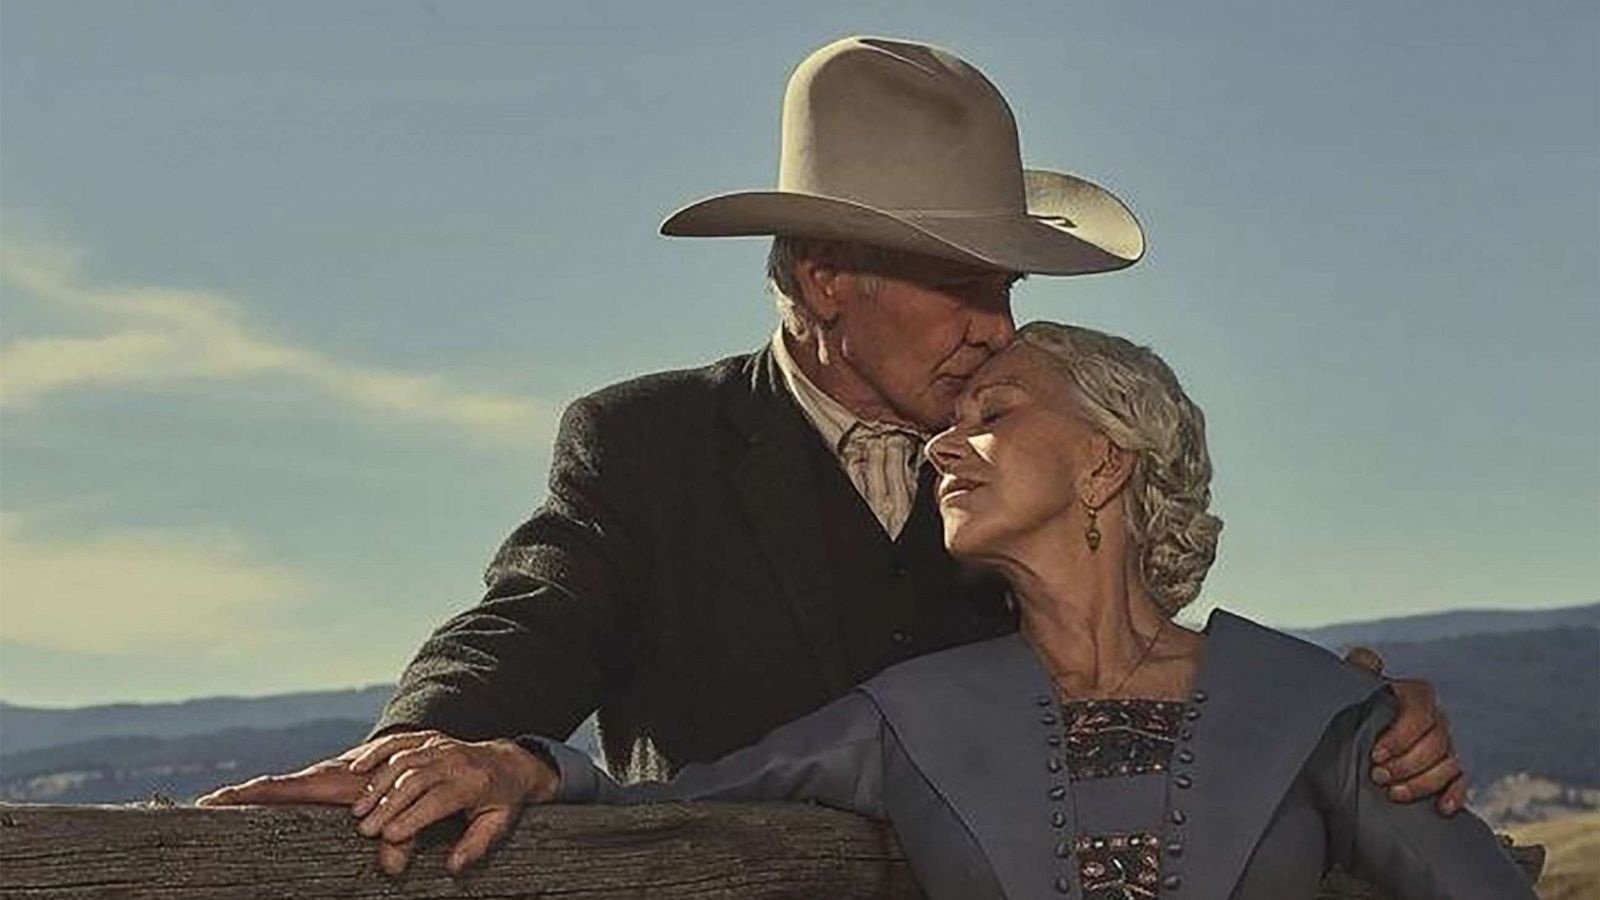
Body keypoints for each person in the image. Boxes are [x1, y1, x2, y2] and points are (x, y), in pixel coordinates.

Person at [196, 36, 1466, 877]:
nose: (994, 327)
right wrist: (445, 741)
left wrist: (1356, 712)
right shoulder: (649, 444)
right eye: (962, 283)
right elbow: (532, 620)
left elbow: (1151, 670)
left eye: (1006, 289)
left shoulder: (1014, 466)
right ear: (825, 275)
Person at [488, 323, 1529, 899]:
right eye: (951, 422)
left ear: (1101, 462)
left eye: (993, 417)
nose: (943, 442)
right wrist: (522, 761)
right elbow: (665, 807)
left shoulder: (1310, 705)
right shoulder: (906, 716)